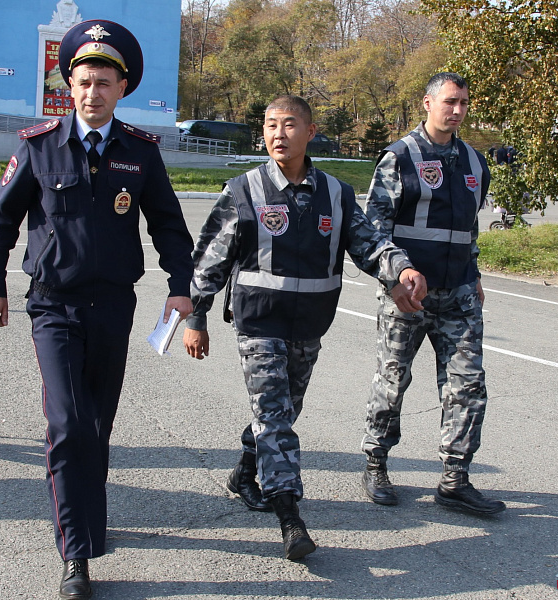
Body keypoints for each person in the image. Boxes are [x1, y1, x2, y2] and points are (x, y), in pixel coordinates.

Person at [0, 20, 194, 600]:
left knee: (96, 425)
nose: (92, 92)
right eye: (82, 81)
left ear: (121, 88)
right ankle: (76, 553)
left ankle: (88, 523)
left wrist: (181, 288)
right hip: (52, 306)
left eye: (104, 82)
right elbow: (0, 219)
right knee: (67, 423)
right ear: (67, 87)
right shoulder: (38, 144)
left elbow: (170, 227)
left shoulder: (140, 153)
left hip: (113, 308)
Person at [182, 95, 426, 560]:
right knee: (275, 415)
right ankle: (290, 516)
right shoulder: (245, 189)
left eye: (289, 124)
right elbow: (209, 261)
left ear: (309, 132)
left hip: (310, 325)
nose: (278, 133)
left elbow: (369, 243)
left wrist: (401, 270)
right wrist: (197, 316)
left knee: (283, 410)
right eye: (271, 125)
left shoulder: (335, 193)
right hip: (258, 322)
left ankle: (243, 472)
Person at [360, 72, 506, 516]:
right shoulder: (399, 158)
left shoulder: (474, 162)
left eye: (463, 102)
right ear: (427, 103)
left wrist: (474, 272)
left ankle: (454, 479)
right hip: (408, 296)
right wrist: (394, 279)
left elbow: (468, 229)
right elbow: (373, 231)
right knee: (393, 381)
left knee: (467, 386)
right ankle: (375, 463)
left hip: (459, 295)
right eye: (449, 101)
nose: (457, 110)